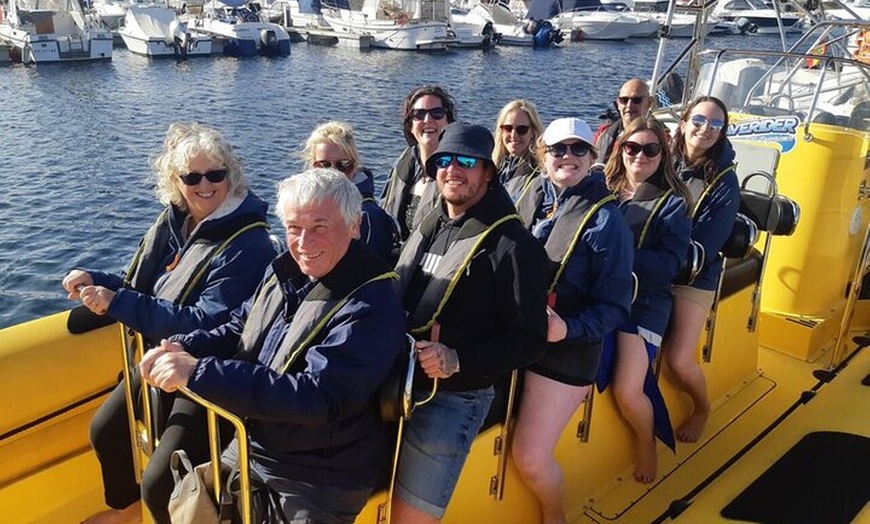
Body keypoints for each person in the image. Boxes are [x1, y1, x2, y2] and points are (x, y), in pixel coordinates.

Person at [140, 169, 407, 524]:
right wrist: (184, 346)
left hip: (317, 476)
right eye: (294, 228)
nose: (303, 242)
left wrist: (199, 372)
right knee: (167, 494)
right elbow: (240, 327)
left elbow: (319, 396)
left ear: (354, 225)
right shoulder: (285, 271)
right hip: (255, 445)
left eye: (319, 227)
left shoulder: (372, 304)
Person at [62, 122, 277, 524]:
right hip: (160, 359)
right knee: (106, 432)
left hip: (205, 371)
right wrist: (97, 281)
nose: (205, 185)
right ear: (176, 182)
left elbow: (206, 320)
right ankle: (128, 514)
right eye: (192, 177)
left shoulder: (249, 243)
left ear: (232, 174)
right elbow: (144, 286)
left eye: (215, 174)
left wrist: (118, 303)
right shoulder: (178, 223)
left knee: (160, 483)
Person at [391, 123, 549, 523]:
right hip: (398, 380)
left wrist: (457, 358)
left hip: (453, 397)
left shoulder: (512, 246)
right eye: (443, 161)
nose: (452, 170)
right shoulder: (430, 226)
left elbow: (530, 340)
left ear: (488, 172)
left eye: (466, 161)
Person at [511, 117, 634, 524]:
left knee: (529, 456)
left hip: (566, 351)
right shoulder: (532, 200)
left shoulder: (606, 222)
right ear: (543, 156)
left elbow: (615, 305)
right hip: (518, 337)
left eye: (578, 149)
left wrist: (568, 329)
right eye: (558, 149)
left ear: (593, 157)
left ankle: (554, 514)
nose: (568, 157)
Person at [599, 117, 692, 483]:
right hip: (601, 298)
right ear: (620, 150)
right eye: (631, 147)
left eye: (650, 149)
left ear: (662, 153)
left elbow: (671, 262)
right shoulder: (602, 189)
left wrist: (617, 256)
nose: (640, 155)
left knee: (627, 388)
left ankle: (645, 443)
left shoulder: (672, 204)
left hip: (643, 304)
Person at [663, 96, 740, 443]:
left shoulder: (724, 181)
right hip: (654, 263)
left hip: (693, 274)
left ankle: (701, 407)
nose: (705, 129)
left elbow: (706, 245)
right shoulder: (662, 158)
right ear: (683, 122)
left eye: (715, 124)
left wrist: (656, 264)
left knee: (679, 359)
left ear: (722, 132)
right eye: (698, 120)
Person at [301, 120, 401, 265]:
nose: (333, 173)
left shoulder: (368, 217)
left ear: (355, 166)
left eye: (343, 165)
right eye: (324, 165)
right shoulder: (306, 208)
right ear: (313, 166)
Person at [381, 85, 457, 240]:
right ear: (410, 125)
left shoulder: (457, 170)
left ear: (448, 121)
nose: (428, 120)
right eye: (419, 114)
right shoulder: (402, 166)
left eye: (437, 113)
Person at [492, 99, 545, 199]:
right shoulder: (497, 166)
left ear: (533, 133)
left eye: (522, 129)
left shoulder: (538, 173)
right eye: (507, 128)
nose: (513, 135)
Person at [593, 78, 655, 163]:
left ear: (649, 103)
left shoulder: (660, 137)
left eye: (636, 100)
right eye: (624, 100)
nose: (629, 105)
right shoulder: (603, 133)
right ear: (618, 104)